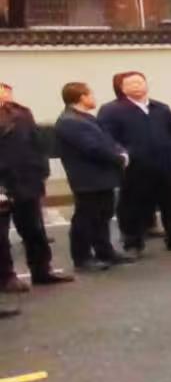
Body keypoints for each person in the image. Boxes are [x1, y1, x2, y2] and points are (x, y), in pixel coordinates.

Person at [97, 71, 171, 254]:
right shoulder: (111, 110)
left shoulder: (160, 108)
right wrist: (125, 153)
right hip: (135, 167)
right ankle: (133, 243)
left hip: (166, 164)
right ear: (122, 88)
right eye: (131, 83)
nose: (136, 86)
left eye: (139, 82)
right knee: (133, 205)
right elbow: (107, 137)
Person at [0, 81, 71, 290]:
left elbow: (37, 143)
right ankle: (6, 277)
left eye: (5, 90)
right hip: (3, 182)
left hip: (26, 179)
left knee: (34, 229)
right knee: (1, 236)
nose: (4, 94)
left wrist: (41, 170)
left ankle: (42, 270)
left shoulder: (21, 113)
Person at [53, 82, 131, 271]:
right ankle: (82, 257)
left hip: (101, 176)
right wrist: (118, 158)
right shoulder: (70, 121)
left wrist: (121, 151)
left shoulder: (86, 118)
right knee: (86, 218)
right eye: (90, 94)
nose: (93, 98)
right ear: (82, 97)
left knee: (102, 216)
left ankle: (105, 251)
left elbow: (107, 140)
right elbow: (93, 148)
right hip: (87, 178)